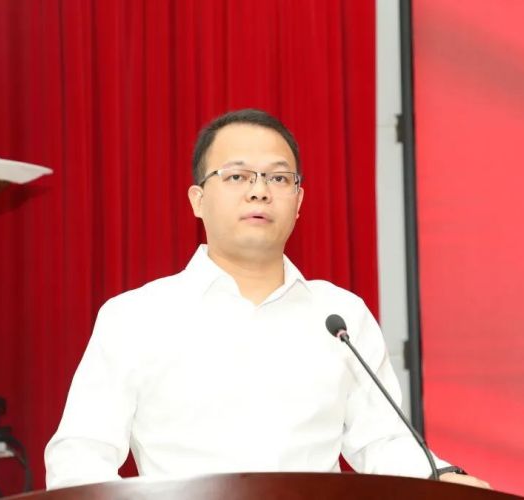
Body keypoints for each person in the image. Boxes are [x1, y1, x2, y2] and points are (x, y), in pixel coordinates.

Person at [44, 109, 490, 490]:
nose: (259, 190)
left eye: (278, 178)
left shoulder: (339, 316)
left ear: (298, 201)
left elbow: (382, 441)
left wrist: (441, 479)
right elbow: (80, 455)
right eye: (237, 176)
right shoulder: (135, 316)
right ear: (198, 200)